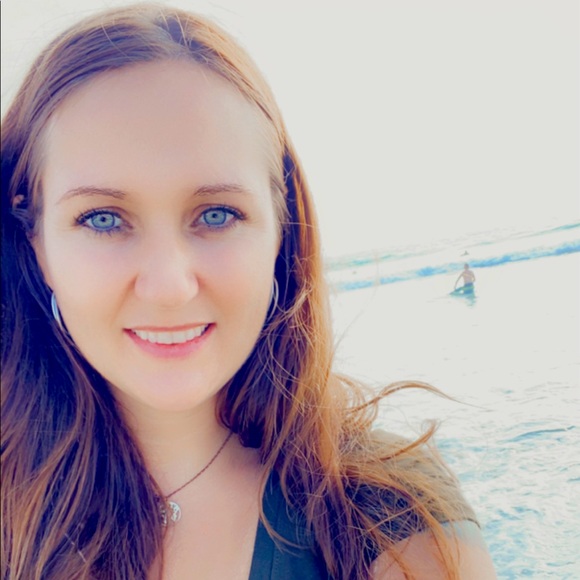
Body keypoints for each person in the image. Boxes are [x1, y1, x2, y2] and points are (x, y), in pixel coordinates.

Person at [1, 5, 496, 579]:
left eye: (216, 213)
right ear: (35, 242)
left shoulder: (387, 521)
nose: (169, 287)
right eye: (103, 219)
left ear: (281, 229)